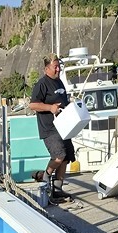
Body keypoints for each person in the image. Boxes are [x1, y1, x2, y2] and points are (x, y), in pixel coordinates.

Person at [28, 54, 75, 204]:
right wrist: (50, 108)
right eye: (55, 66)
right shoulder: (41, 84)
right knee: (59, 155)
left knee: (66, 157)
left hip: (64, 126)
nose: (58, 69)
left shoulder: (60, 82)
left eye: (58, 66)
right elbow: (33, 105)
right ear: (46, 69)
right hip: (49, 128)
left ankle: (58, 189)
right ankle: (46, 177)